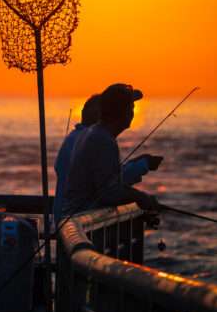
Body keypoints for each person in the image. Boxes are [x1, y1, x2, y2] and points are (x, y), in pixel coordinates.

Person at [54, 93, 160, 223]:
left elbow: (103, 177)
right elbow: (109, 189)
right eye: (128, 108)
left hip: (71, 218)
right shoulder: (100, 140)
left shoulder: (82, 137)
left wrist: (136, 164)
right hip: (80, 221)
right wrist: (142, 196)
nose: (131, 112)